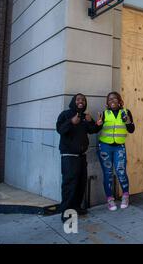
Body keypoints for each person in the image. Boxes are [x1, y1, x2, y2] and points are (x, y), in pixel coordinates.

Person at [56, 93, 98, 222]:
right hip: (69, 157)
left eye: (83, 100)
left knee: (81, 183)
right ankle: (66, 212)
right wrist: (71, 122)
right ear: (74, 101)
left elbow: (92, 130)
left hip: (81, 157)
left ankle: (76, 208)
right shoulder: (65, 114)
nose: (81, 101)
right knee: (70, 185)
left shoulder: (86, 117)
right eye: (79, 99)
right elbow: (60, 129)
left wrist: (95, 123)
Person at [95, 92, 135, 211]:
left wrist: (127, 121)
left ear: (119, 100)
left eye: (115, 98)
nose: (112, 100)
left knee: (121, 171)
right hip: (105, 147)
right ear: (107, 102)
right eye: (110, 99)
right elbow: (95, 129)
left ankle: (125, 196)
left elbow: (132, 129)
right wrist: (98, 125)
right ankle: (110, 200)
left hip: (119, 147)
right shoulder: (104, 114)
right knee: (108, 174)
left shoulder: (126, 112)